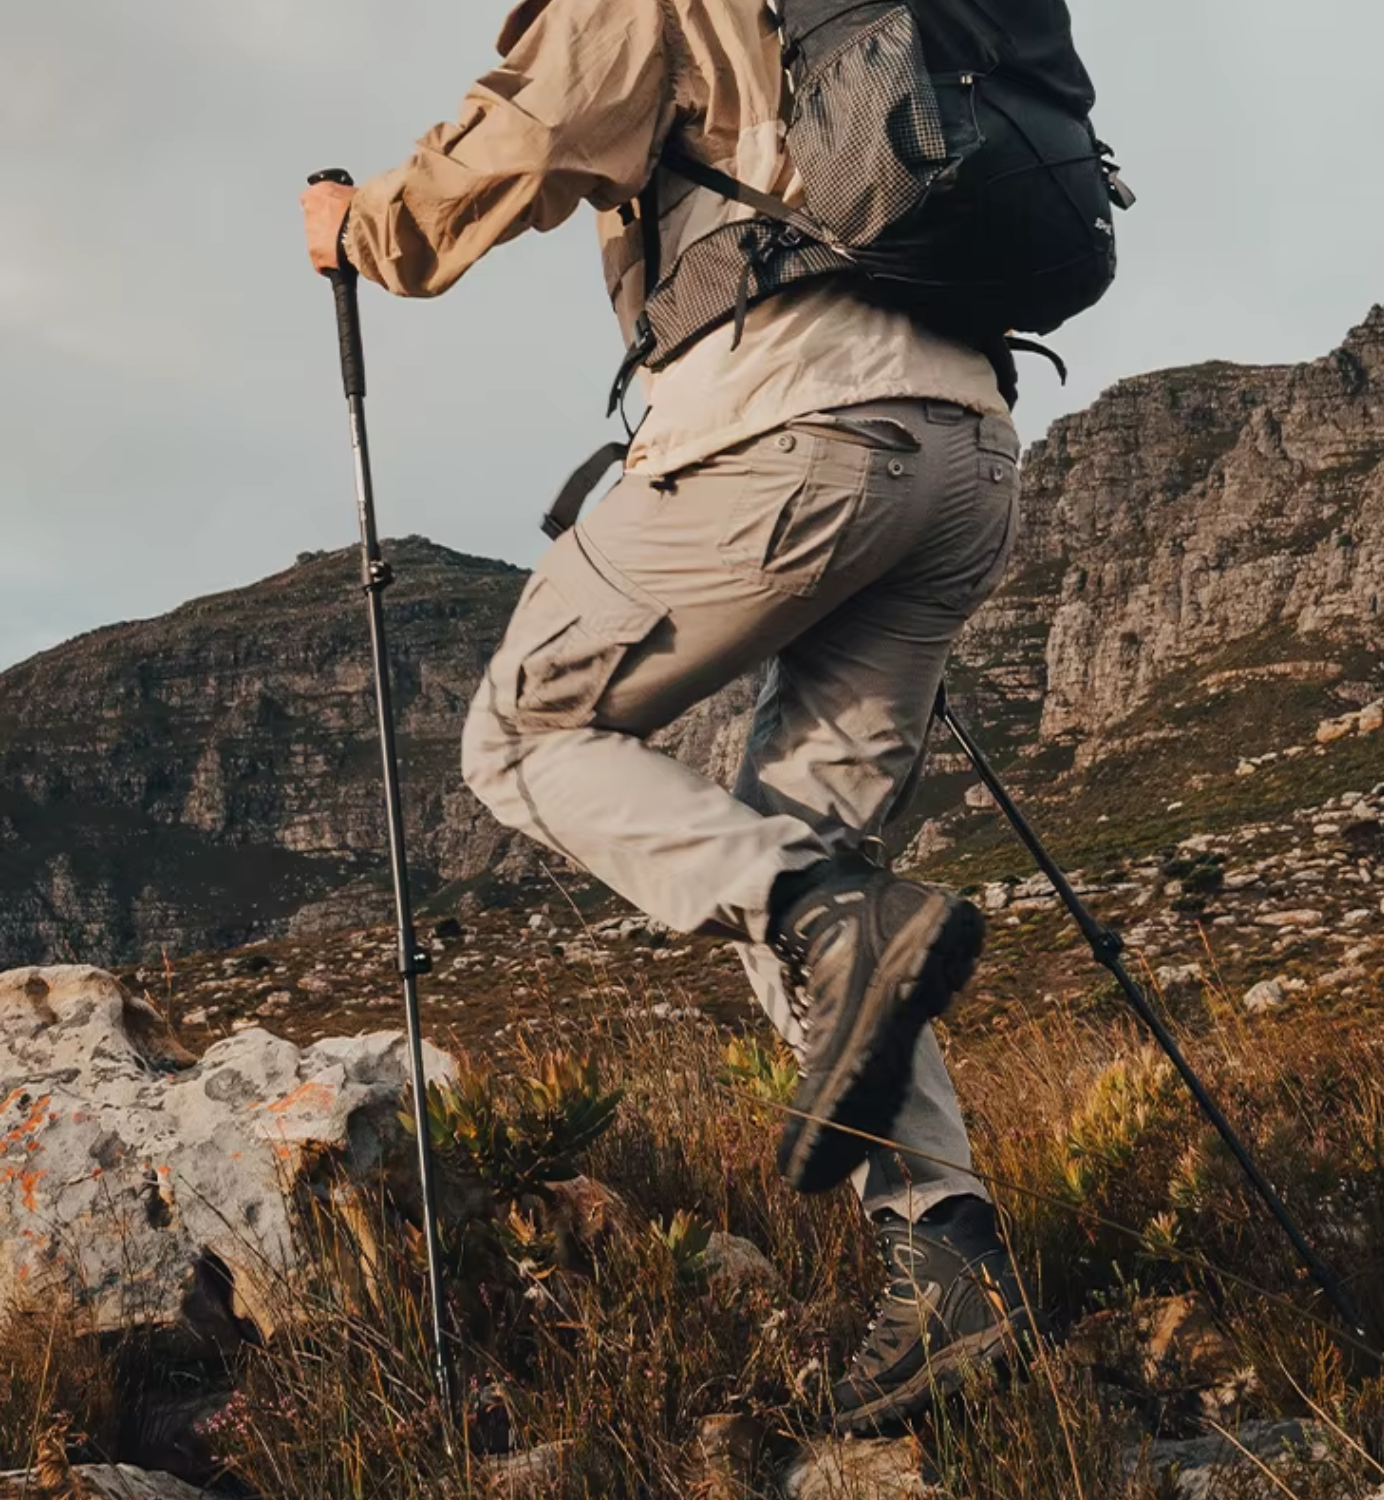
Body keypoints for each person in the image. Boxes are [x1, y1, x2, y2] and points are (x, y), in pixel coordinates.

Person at [301, 0, 1028, 1434]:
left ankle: (825, 914)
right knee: (803, 863)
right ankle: (946, 1254)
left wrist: (357, 226)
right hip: (973, 453)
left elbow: (519, 144)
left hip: (801, 431)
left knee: (520, 737)